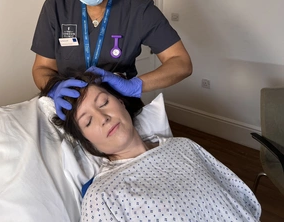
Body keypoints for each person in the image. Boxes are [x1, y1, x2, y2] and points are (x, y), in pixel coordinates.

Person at [41, 71, 261, 222]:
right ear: (86, 141)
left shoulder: (184, 147)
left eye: (104, 102)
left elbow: (241, 199)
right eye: (88, 121)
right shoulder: (102, 197)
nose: (103, 118)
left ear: (121, 102)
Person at [31, 0, 192, 120]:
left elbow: (181, 63)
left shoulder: (139, 10)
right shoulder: (55, 8)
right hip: (71, 108)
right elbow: (41, 68)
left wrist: (135, 85)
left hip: (118, 108)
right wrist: (55, 87)